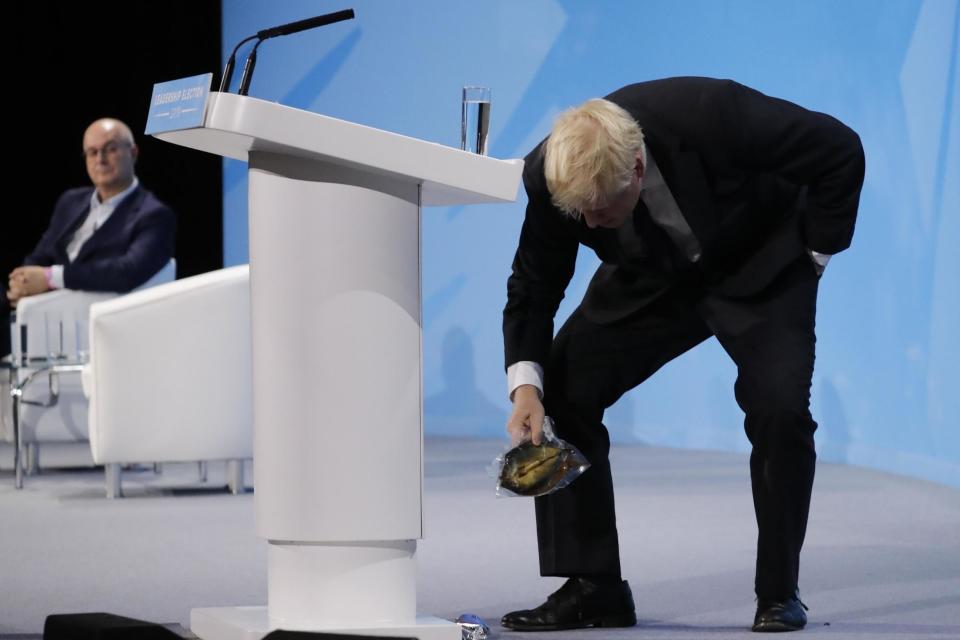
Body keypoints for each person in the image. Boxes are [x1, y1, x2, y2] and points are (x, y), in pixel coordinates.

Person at [501, 77, 864, 633]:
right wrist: (526, 385)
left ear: (637, 171)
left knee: (780, 411)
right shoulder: (555, 177)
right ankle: (595, 588)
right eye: (581, 214)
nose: (590, 224)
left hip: (757, 264)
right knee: (564, 387)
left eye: (600, 210)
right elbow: (534, 283)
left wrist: (814, 252)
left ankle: (779, 592)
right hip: (651, 273)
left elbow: (841, 150)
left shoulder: (714, 115)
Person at [2, 117, 176, 356]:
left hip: (95, 331)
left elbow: (126, 271)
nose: (100, 159)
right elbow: (42, 254)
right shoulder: (71, 201)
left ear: (133, 152)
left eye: (110, 149)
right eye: (92, 152)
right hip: (46, 318)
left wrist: (50, 277)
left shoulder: (154, 215)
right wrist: (23, 281)